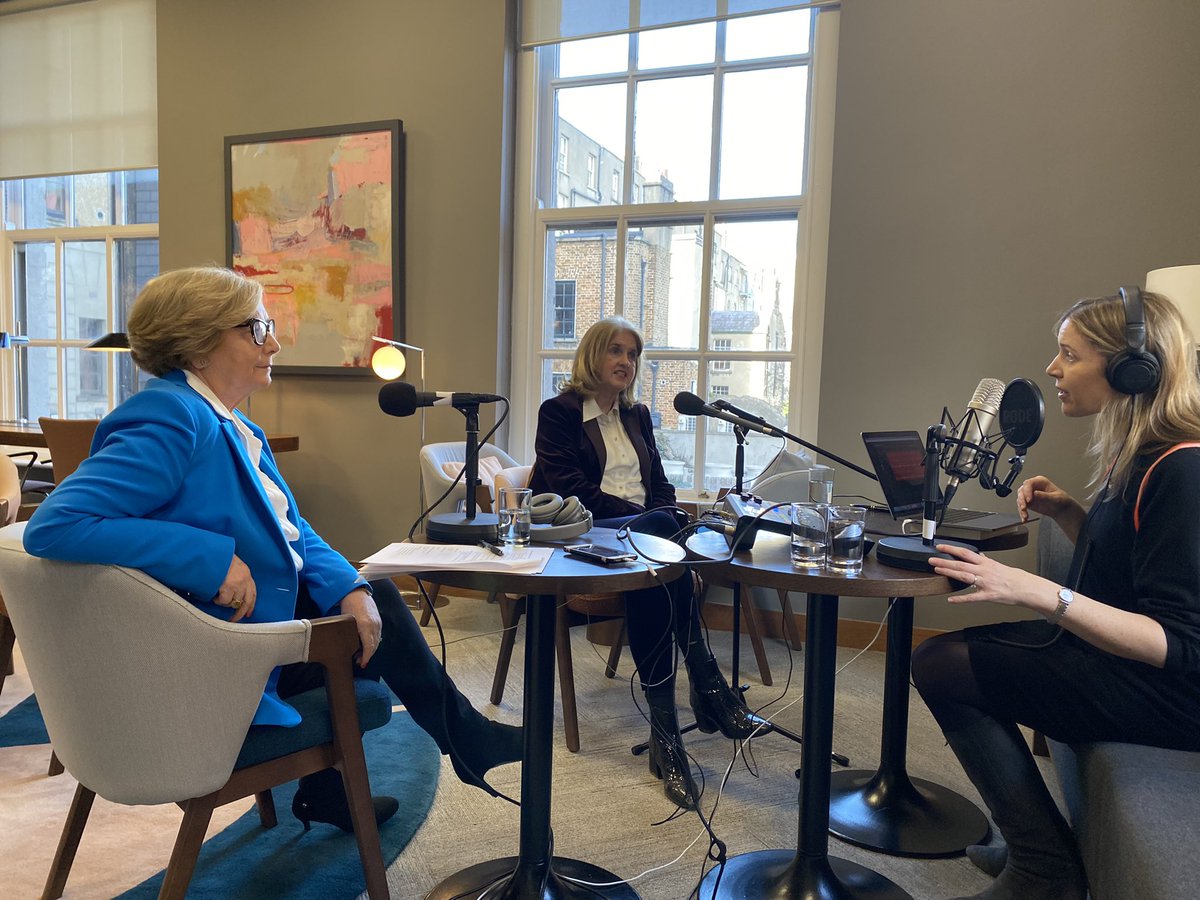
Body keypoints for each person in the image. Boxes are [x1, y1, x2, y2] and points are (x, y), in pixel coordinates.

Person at [23, 266, 522, 833]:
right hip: (215, 653)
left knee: (368, 604)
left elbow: (294, 530)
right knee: (365, 640)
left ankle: (351, 781)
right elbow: (57, 524)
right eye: (258, 328)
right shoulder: (168, 417)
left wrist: (349, 588)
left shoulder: (232, 423)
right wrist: (209, 557)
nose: (275, 343)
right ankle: (463, 740)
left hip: (251, 626)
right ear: (200, 342)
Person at [911, 288, 1200, 900]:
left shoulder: (1185, 469)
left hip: (1171, 697)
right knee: (950, 657)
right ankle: (1030, 844)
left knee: (940, 664)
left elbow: (1179, 645)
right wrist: (1073, 513)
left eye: (1068, 354)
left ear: (1131, 368)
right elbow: (1131, 569)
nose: (1052, 369)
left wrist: (1037, 592)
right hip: (1130, 670)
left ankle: (1044, 868)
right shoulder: (1143, 453)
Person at [530, 317, 763, 810]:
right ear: (592, 356)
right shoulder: (559, 412)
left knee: (661, 566)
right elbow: (570, 487)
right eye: (615, 351)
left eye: (633, 354)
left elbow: (659, 480)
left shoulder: (638, 416)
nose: (625, 362)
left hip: (640, 538)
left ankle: (667, 735)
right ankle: (706, 688)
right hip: (583, 538)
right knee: (664, 552)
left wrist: (663, 516)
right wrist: (650, 519)